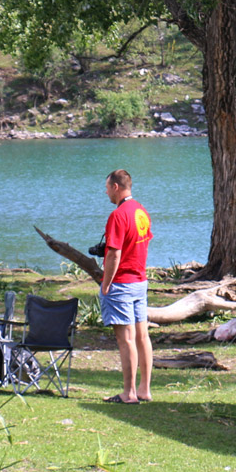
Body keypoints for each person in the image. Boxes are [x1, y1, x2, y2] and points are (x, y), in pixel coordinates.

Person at [99, 169, 152, 404]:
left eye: (107, 188)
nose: (106, 192)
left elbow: (114, 253)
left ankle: (129, 393)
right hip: (140, 280)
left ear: (116, 187)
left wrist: (106, 283)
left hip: (122, 283)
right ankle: (144, 389)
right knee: (142, 336)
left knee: (126, 339)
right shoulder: (141, 211)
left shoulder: (118, 215)